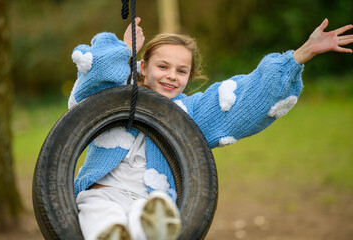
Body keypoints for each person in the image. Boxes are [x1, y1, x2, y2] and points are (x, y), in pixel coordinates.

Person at [68, 17, 353, 240]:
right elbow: (88, 85)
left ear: (189, 76)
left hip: (148, 198)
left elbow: (244, 99)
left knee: (150, 216)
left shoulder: (189, 114)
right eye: (163, 66)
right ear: (143, 66)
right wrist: (124, 49)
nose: (171, 76)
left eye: (181, 71)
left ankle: (155, 224)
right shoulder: (114, 97)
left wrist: (300, 55)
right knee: (101, 219)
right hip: (102, 192)